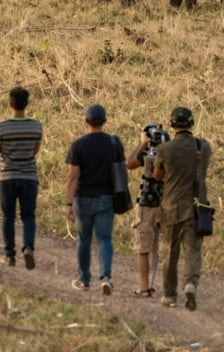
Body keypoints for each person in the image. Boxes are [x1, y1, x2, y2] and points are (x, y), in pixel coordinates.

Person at [153, 107, 212, 311]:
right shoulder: (203, 147)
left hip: (171, 206)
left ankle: (170, 295)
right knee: (192, 250)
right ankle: (190, 284)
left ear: (172, 125)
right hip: (197, 207)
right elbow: (201, 171)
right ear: (191, 123)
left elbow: (157, 176)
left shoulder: (165, 149)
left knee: (170, 253)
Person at [65, 103, 124, 295]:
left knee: (84, 239)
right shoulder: (114, 143)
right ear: (104, 120)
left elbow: (73, 176)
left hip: (83, 199)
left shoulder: (79, 145)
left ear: (86, 121)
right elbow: (122, 171)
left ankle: (84, 279)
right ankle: (106, 276)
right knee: (105, 239)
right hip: (107, 197)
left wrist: (69, 202)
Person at [0, 86, 43, 269]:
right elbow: (35, 150)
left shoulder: (1, 127)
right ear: (26, 104)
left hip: (7, 176)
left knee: (8, 216)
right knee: (28, 215)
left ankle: (9, 255)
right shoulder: (36, 126)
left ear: (10, 103)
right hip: (29, 175)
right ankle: (28, 246)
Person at [125, 122, 169, 297]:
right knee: (161, 247)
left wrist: (142, 143)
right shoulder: (171, 155)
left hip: (146, 205)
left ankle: (144, 287)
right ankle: (161, 286)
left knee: (143, 247)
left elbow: (129, 163)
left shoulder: (149, 155)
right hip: (165, 204)